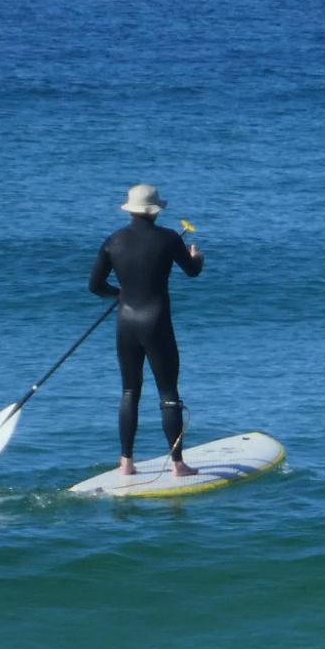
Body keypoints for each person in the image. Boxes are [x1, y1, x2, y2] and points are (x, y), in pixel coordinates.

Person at [89, 184, 203, 476]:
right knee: (168, 393)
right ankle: (178, 465)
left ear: (132, 210)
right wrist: (196, 257)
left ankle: (126, 462)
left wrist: (120, 295)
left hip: (126, 323)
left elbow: (95, 286)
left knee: (129, 391)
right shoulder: (168, 239)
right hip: (156, 323)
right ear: (155, 211)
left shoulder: (113, 241)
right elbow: (192, 271)